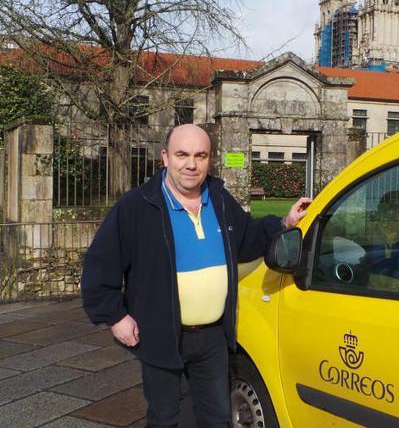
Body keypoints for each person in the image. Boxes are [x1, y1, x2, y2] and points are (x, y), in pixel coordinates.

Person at [81, 124, 311, 427]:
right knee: (165, 418)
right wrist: (115, 317)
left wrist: (284, 222)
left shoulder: (218, 198)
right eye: (182, 154)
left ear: (209, 159)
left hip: (213, 337)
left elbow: (247, 239)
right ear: (165, 158)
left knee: (216, 417)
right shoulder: (137, 206)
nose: (191, 164)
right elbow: (100, 266)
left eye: (200, 155)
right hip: (160, 333)